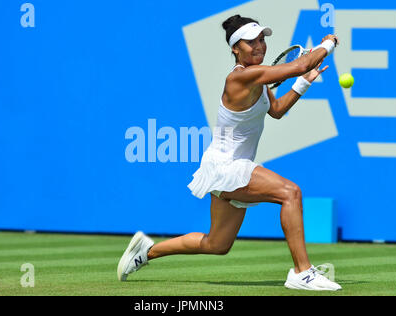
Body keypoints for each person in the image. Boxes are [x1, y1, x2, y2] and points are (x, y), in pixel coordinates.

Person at [117, 14, 342, 291]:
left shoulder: (256, 79)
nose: (259, 46)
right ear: (236, 48)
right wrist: (328, 43)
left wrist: (304, 82)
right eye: (251, 42)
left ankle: (146, 252)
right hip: (227, 166)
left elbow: (277, 110)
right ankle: (302, 272)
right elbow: (301, 63)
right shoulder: (242, 77)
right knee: (290, 193)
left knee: (216, 244)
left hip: (225, 165)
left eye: (262, 40)